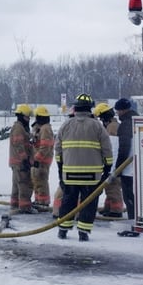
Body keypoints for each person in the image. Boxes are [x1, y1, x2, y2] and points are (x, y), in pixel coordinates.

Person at [55, 93, 113, 241]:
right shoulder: (97, 126)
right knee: (89, 203)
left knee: (68, 201)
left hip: (69, 175)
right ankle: (83, 232)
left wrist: (60, 169)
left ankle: (63, 230)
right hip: (91, 176)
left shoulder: (65, 126)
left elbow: (58, 150)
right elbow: (107, 150)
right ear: (89, 109)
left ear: (75, 108)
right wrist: (107, 168)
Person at [92, 102, 125, 218]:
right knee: (109, 187)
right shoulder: (112, 125)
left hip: (114, 164)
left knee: (113, 187)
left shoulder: (112, 127)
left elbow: (112, 147)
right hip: (114, 163)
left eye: (101, 118)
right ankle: (109, 207)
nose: (101, 120)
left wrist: (111, 166)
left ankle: (116, 210)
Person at [114, 97, 140, 237]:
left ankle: (133, 228)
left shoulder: (125, 124)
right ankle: (137, 225)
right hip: (138, 167)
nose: (117, 114)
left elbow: (123, 148)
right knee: (136, 199)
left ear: (123, 110)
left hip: (128, 169)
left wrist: (117, 169)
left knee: (129, 199)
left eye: (118, 111)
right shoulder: (137, 120)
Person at [8, 104, 37, 214]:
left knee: (16, 184)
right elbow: (18, 144)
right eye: (27, 117)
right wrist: (25, 159)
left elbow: (23, 140)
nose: (28, 119)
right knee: (25, 183)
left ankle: (15, 204)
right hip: (20, 162)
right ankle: (25, 207)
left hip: (16, 161)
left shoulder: (20, 127)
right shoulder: (18, 128)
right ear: (21, 116)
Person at [30, 105, 54, 210]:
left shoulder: (45, 129)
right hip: (39, 159)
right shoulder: (42, 128)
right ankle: (39, 200)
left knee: (41, 181)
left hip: (42, 160)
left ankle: (43, 202)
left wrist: (37, 158)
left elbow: (45, 146)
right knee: (37, 180)